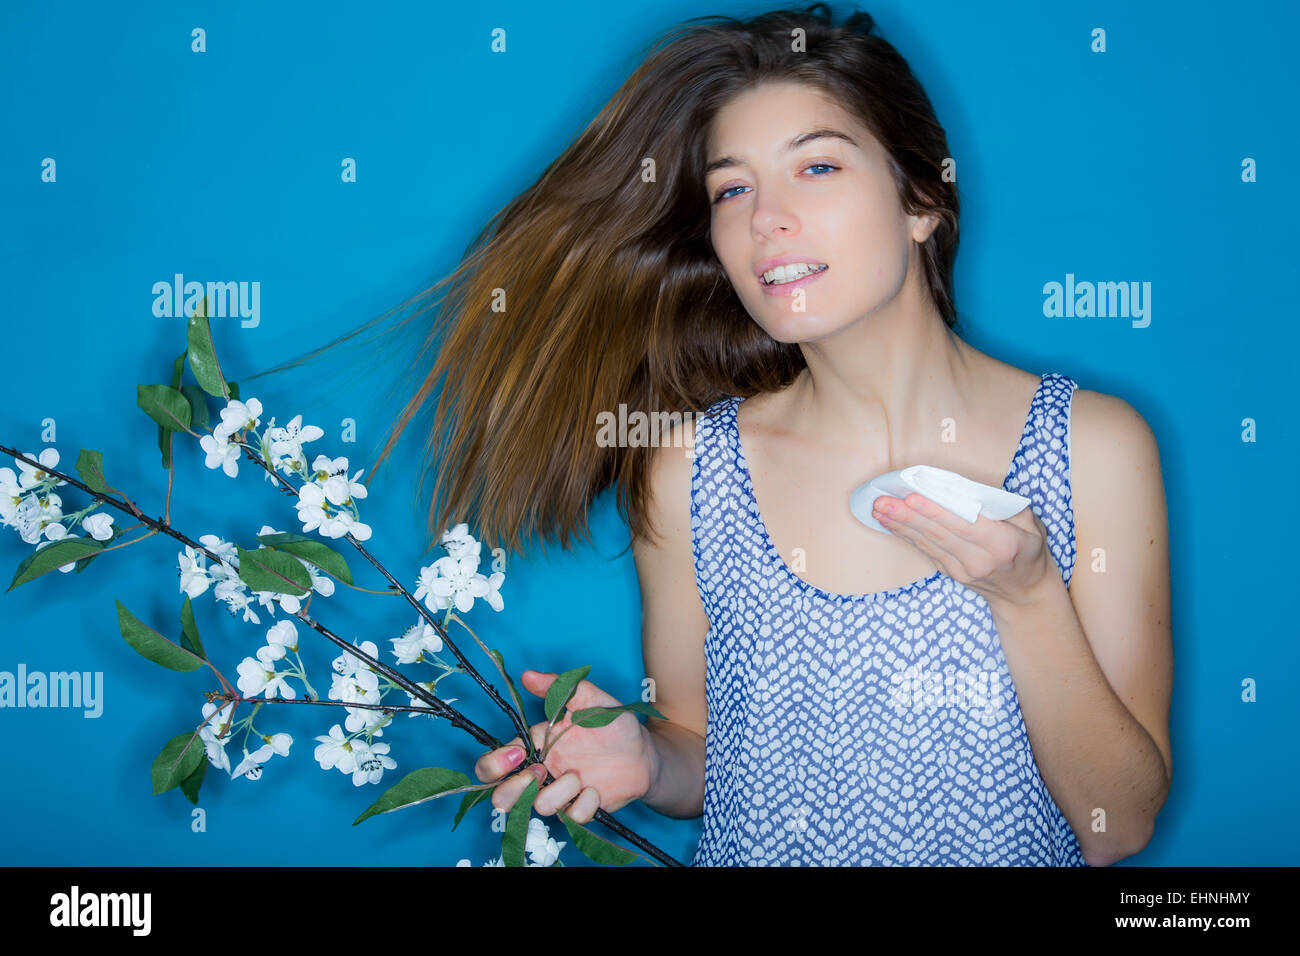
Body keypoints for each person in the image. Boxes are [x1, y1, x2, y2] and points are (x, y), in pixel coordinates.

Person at [250, 4, 1173, 866]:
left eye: (817, 166)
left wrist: (1026, 597)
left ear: (921, 203)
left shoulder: (1094, 446)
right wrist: (650, 764)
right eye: (732, 190)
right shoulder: (689, 468)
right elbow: (702, 753)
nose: (767, 218)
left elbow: (1118, 825)